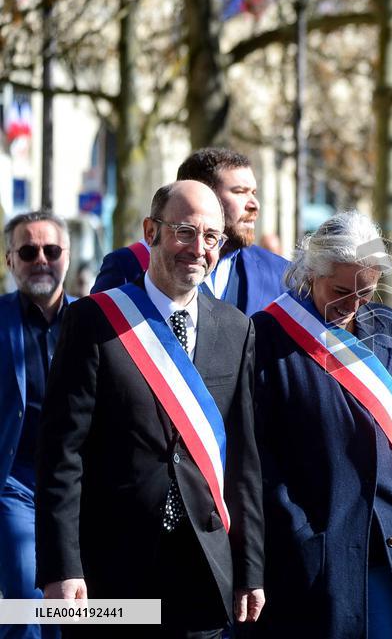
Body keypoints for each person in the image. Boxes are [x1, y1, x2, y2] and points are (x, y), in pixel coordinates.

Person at [35, 181, 265, 638]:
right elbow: (62, 455)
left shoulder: (236, 329)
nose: (197, 249)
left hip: (202, 563)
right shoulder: (94, 321)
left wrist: (251, 566)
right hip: (111, 568)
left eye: (211, 237)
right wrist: (62, 567)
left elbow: (243, 460)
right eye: (184, 231)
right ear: (150, 231)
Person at [251, 211, 392, 638]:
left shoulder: (390, 327)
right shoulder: (267, 335)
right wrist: (302, 535)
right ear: (311, 272)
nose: (353, 305)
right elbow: (261, 455)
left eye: (366, 291)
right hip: (325, 552)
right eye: (341, 290)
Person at [91, 148, 289, 315]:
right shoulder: (128, 265)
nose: (255, 205)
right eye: (239, 192)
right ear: (200, 193)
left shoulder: (279, 273)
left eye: (253, 193)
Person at [0, 212, 71, 639]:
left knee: (82, 609)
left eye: (51, 250)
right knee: (26, 607)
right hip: (13, 483)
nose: (41, 259)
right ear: (11, 261)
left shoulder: (92, 321)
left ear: (67, 255)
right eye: (28, 251)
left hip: (77, 486)